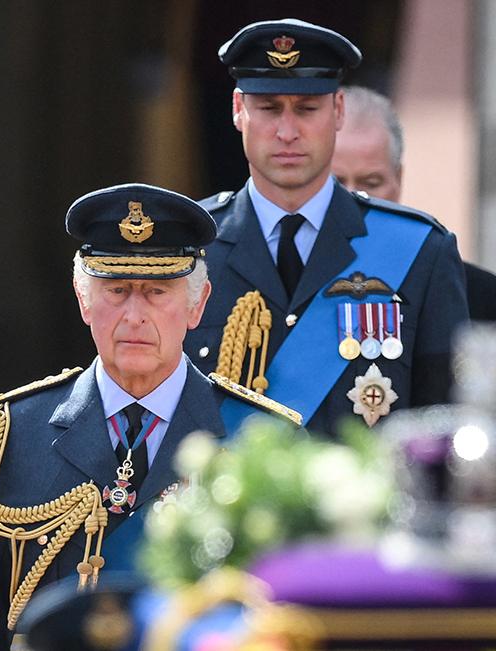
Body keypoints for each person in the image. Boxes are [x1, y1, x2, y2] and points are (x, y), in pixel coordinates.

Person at [0, 183, 300, 651]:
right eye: (116, 290)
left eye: (157, 292)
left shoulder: (261, 437)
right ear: (82, 298)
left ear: (198, 303)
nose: (134, 315)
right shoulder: (12, 432)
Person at [184, 18, 470, 435]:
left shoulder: (419, 251)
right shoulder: (187, 250)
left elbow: (446, 425)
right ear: (237, 111)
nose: (287, 131)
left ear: (337, 111)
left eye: (306, 108)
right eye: (268, 108)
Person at [331, 85, 496, 405]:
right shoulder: (284, 276)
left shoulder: (478, 292)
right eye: (337, 183)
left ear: (399, 178)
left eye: (371, 182)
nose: (357, 198)